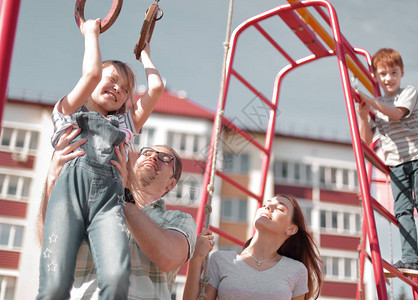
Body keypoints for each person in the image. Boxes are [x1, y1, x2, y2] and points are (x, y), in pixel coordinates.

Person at [37, 17, 164, 299]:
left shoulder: (126, 125)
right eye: (113, 80)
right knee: (54, 283)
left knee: (118, 279)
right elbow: (92, 73)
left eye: (125, 90)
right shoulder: (67, 112)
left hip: (108, 202)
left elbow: (155, 89)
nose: (118, 89)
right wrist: (91, 32)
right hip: (68, 194)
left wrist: (144, 54)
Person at [39, 128, 197, 299]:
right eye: (148, 152)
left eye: (166, 158)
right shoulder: (92, 206)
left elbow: (168, 257)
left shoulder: (178, 219)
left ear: (171, 185)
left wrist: (122, 197)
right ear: (134, 165)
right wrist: (53, 179)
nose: (153, 157)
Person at [356, 48, 418, 277]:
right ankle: (410, 260)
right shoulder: (377, 105)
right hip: (396, 163)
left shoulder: (408, 93)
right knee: (402, 209)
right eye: (383, 74)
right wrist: (364, 116)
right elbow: (365, 141)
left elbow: (396, 114)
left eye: (393, 73)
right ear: (376, 76)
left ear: (401, 73)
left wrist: (370, 100)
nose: (388, 78)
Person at [183, 194, 323, 300]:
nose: (268, 207)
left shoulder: (297, 271)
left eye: (280, 208)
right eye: (265, 204)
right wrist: (196, 260)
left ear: (291, 229)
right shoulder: (220, 260)